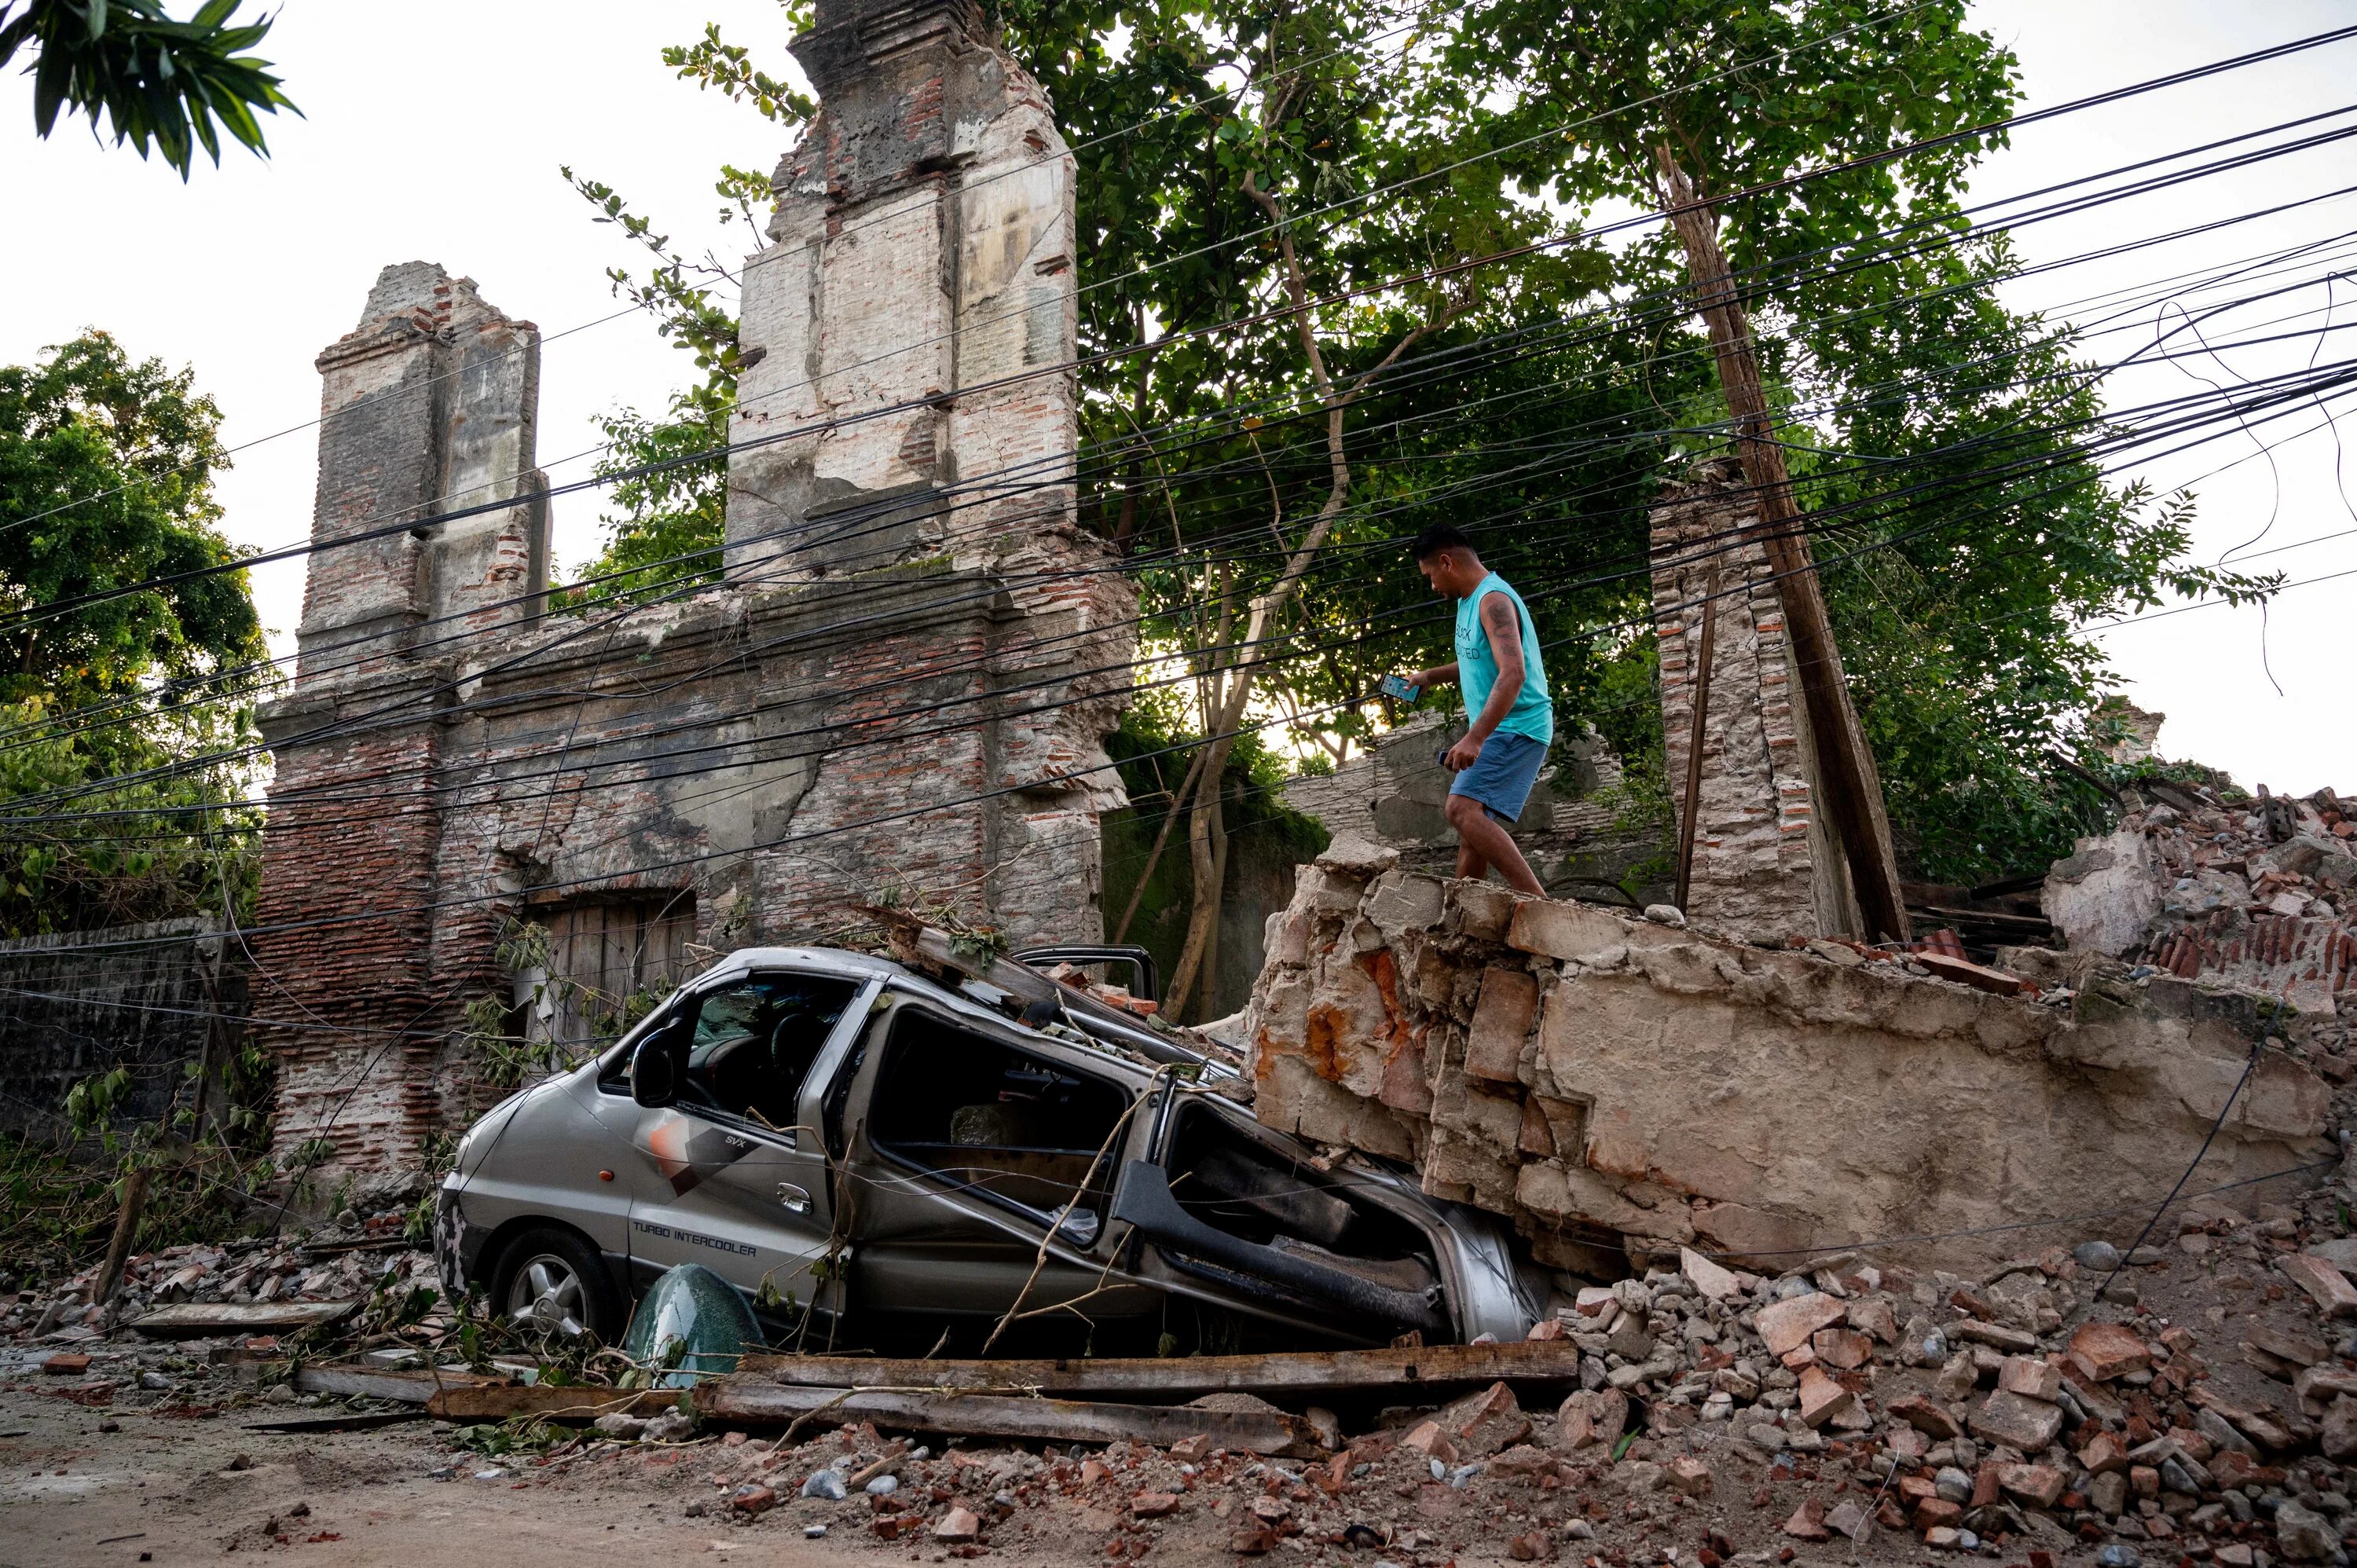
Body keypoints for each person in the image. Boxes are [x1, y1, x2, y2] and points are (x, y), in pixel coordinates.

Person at [1398, 524, 1552, 896]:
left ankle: (1543, 905)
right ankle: (1465, 913)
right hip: (1505, 726)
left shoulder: (1493, 600)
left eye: (1430, 575)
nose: (1432, 586)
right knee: (1473, 829)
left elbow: (1513, 673)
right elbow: (1475, 661)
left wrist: (1475, 737)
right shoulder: (1470, 600)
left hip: (1518, 725)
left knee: (1460, 809)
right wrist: (1427, 676)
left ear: (1447, 562)